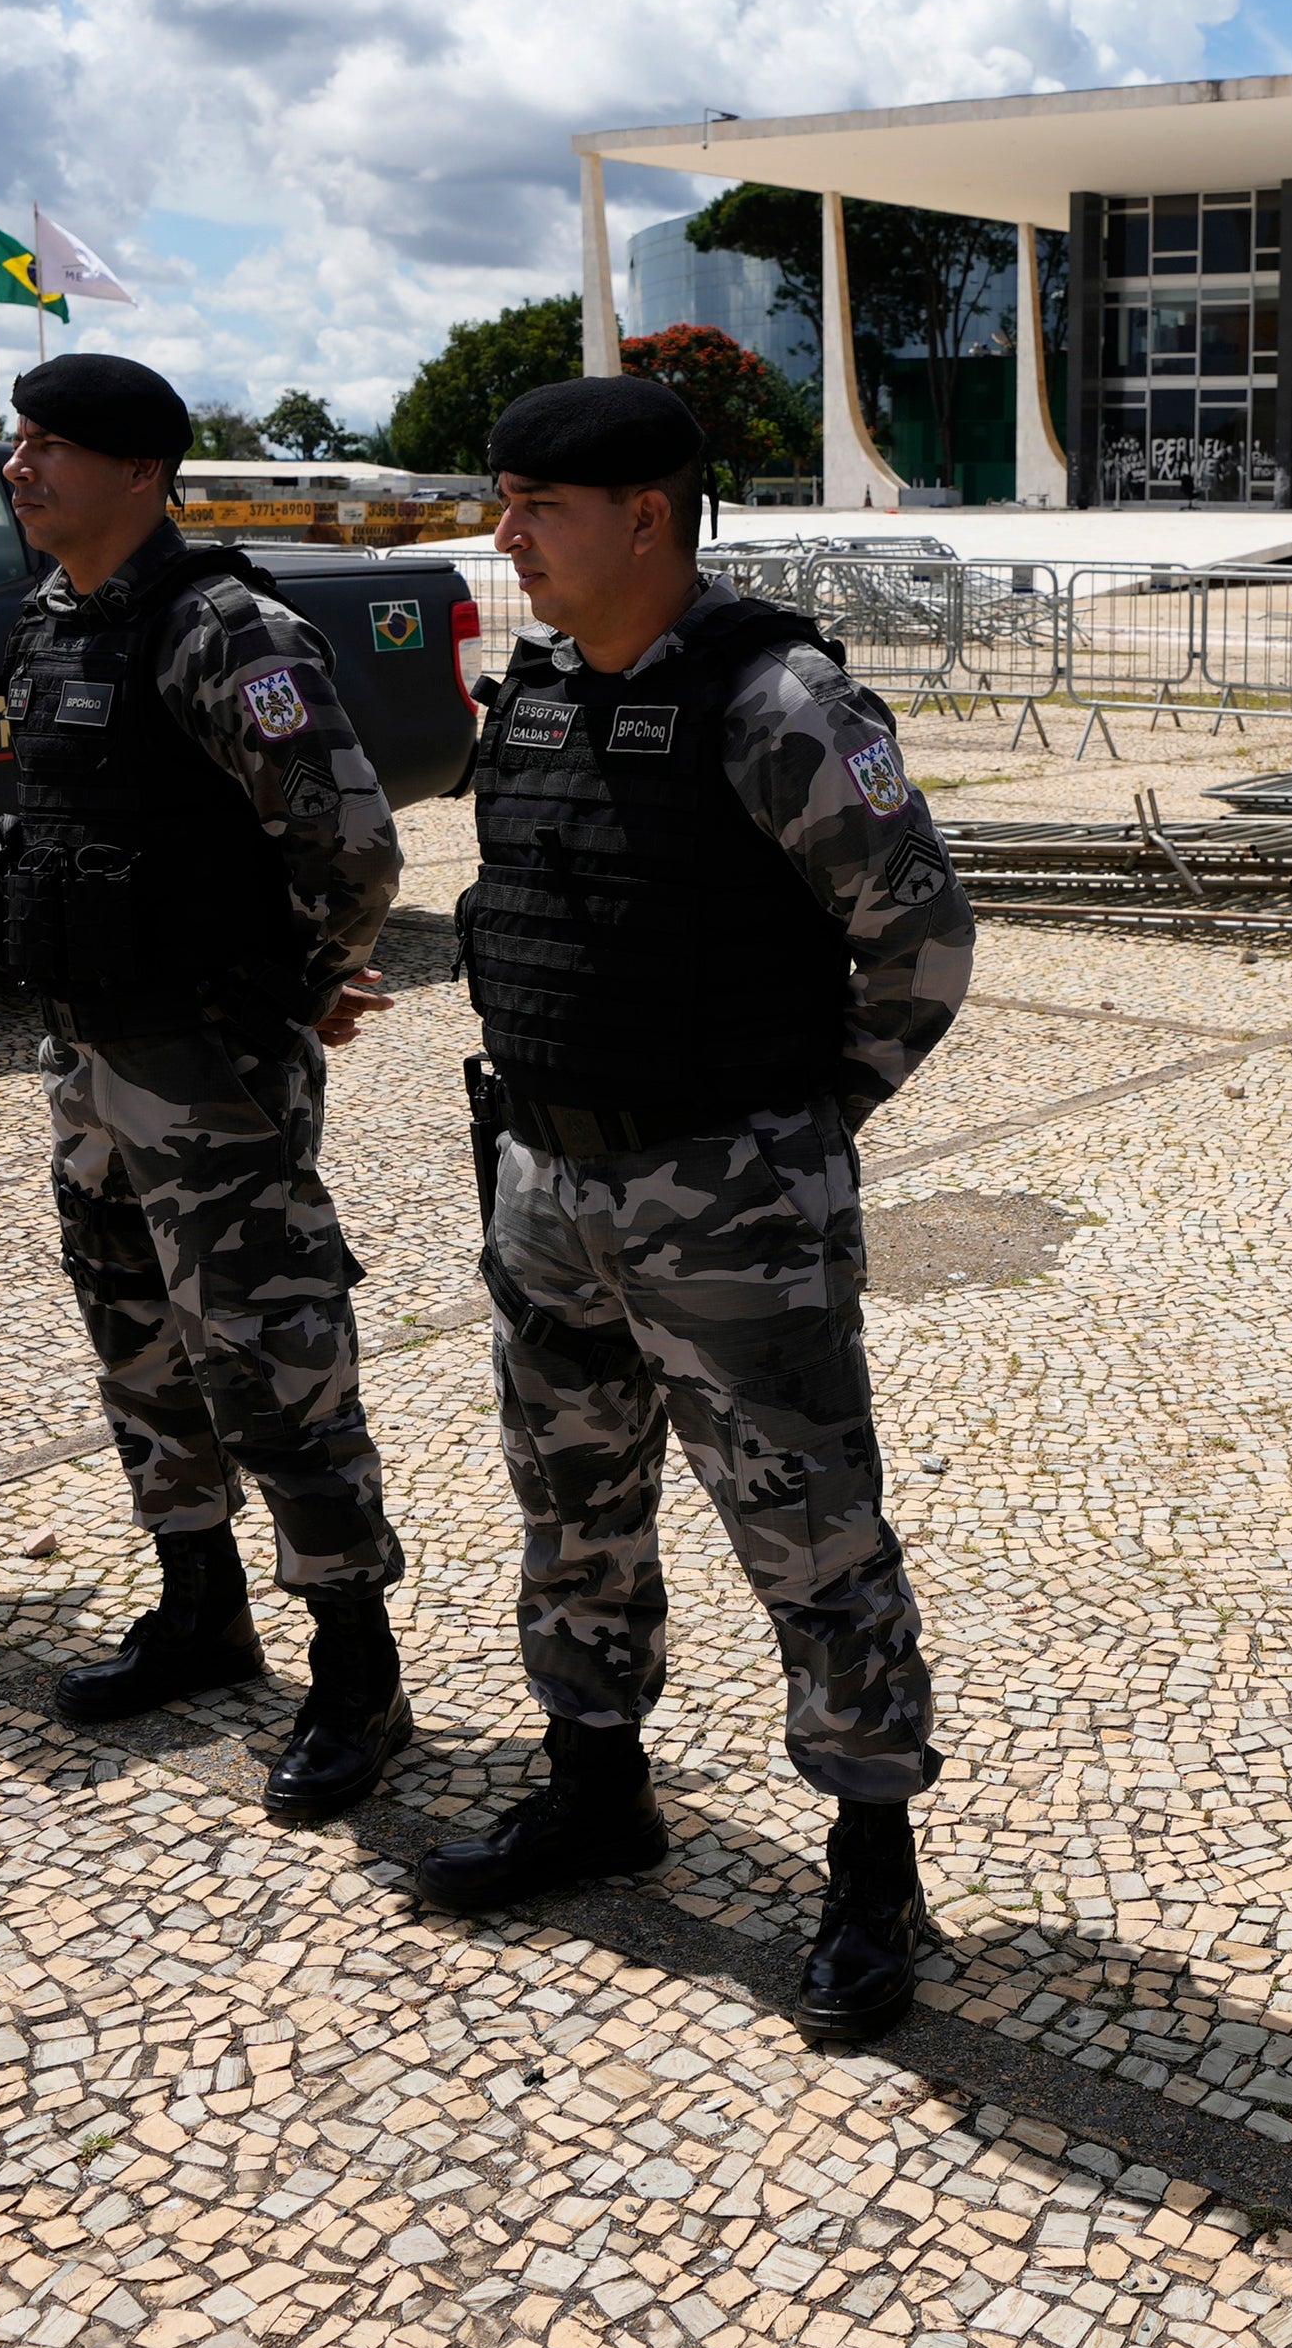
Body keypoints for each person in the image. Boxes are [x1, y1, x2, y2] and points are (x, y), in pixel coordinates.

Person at [415, 374, 978, 2049]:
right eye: (502, 500)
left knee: (808, 1526)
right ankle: (596, 1784)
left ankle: (872, 1863)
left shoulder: (781, 701)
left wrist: (791, 1129)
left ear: (645, 516)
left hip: (724, 1190)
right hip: (544, 1181)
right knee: (571, 1499)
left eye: (538, 506)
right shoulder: (529, 696)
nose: (506, 535)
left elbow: (922, 945)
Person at [0, 351, 421, 1819]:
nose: (19, 467)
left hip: (213, 1065)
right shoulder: (51, 625)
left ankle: (358, 1672)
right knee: (132, 1331)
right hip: (90, 1054)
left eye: (51, 446)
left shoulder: (224, 630)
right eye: (17, 441)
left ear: (142, 472)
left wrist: (291, 991)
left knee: (273, 1356)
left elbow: (350, 845)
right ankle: (199, 1606)